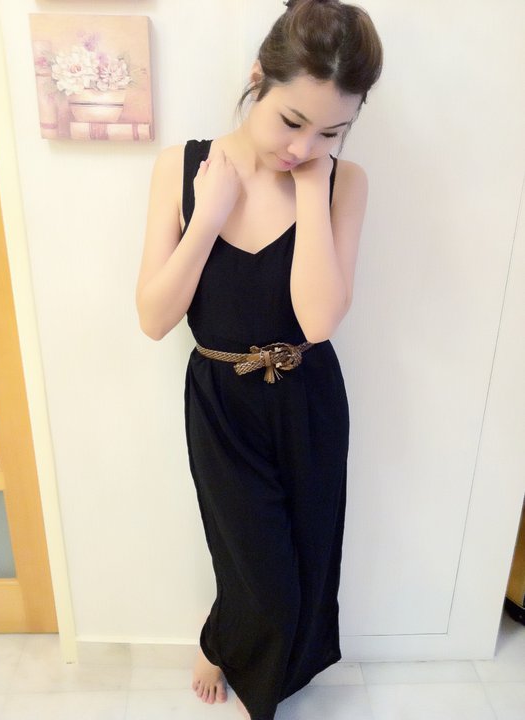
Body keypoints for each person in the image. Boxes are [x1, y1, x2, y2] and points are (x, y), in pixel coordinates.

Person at [136, 0, 382, 717]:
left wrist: (309, 191)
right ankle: (233, 653)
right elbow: (154, 318)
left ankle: (247, 658)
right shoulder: (182, 168)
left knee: (307, 560)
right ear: (257, 80)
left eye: (331, 131)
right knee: (256, 565)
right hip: (222, 401)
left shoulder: (343, 182)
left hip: (308, 398)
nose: (304, 147)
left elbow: (319, 320)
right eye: (291, 122)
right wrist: (207, 216)